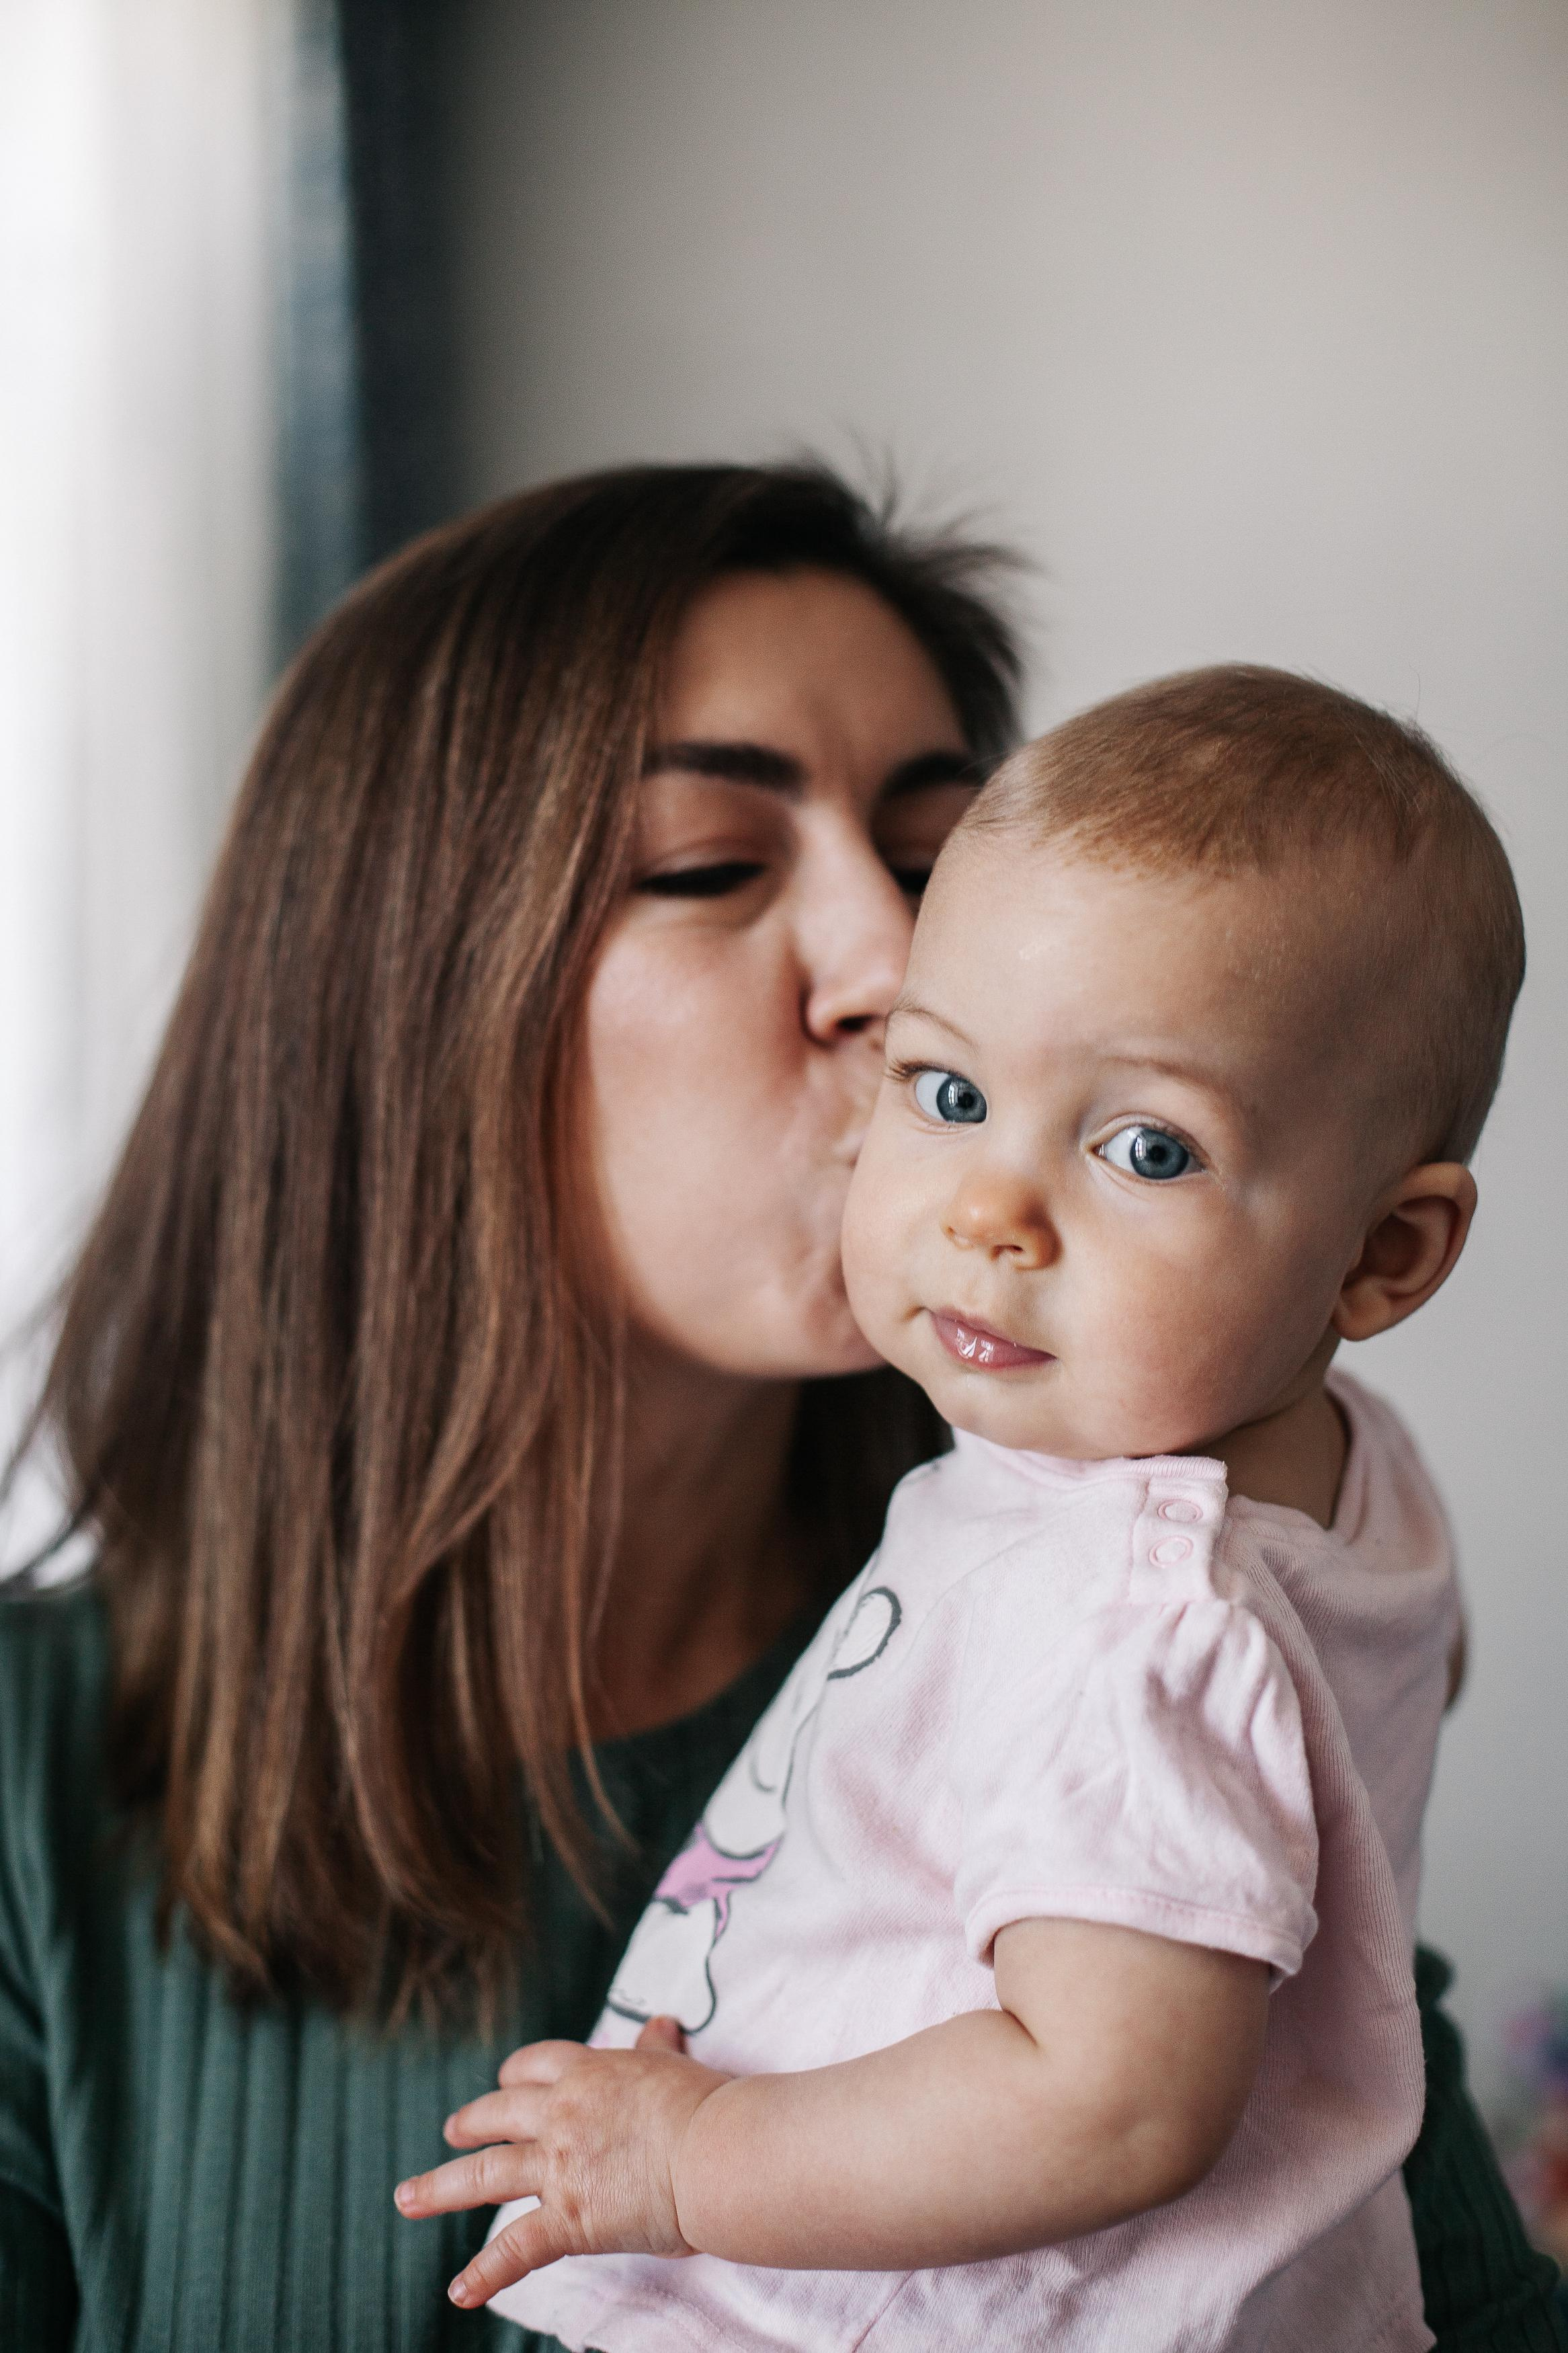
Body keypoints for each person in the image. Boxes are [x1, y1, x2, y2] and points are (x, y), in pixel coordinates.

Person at [0, 469, 1558, 2353]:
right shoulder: (31, 1783)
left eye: (928, 854)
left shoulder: (1144, 1633)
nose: (898, 967)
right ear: (397, 998)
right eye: (709, 867)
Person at [401, 668, 1516, 2350]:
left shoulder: (1124, 1611)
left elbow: (1114, 2105)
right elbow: (1412, 1678)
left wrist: (697, 2156)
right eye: (947, 1092)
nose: (995, 1211)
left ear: (1386, 1253)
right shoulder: (1344, 1474)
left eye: (1146, 1149)